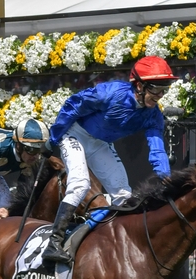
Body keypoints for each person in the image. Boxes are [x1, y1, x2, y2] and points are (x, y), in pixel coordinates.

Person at [41, 55, 176, 263]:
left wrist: (165, 177)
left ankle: (119, 243)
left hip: (100, 144)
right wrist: (54, 136)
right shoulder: (111, 93)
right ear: (139, 85)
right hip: (75, 134)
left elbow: (156, 147)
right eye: (155, 89)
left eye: (163, 90)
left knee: (123, 194)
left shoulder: (153, 116)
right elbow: (74, 104)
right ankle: (54, 243)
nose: (159, 95)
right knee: (80, 184)